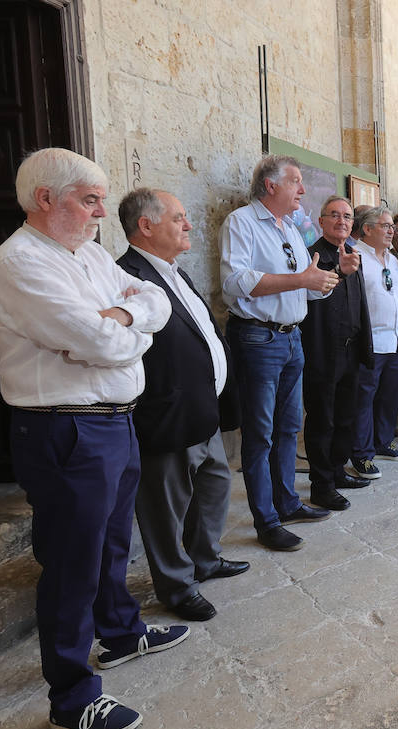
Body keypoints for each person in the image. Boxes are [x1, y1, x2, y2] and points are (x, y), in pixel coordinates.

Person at [0, 148, 188, 729]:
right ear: (46, 199)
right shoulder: (18, 262)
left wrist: (118, 317)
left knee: (112, 543)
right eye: (89, 199)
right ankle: (72, 696)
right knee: (72, 563)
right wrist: (124, 325)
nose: (102, 211)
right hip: (65, 426)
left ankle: (121, 634)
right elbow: (98, 341)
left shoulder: (92, 253)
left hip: (115, 420)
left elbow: (155, 302)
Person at [116, 188, 248, 623]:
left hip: (202, 409)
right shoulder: (126, 276)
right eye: (179, 218)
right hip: (167, 413)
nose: (188, 225)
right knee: (164, 507)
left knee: (214, 485)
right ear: (147, 226)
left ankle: (205, 559)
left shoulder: (174, 271)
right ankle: (176, 585)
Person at [221, 155, 345, 551]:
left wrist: (323, 281)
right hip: (258, 340)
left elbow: (303, 285)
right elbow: (235, 282)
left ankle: (287, 501)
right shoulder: (241, 222)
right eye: (295, 182)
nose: (302, 190)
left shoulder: (290, 226)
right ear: (270, 186)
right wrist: (302, 279)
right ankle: (266, 519)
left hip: (292, 338)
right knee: (259, 433)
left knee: (289, 426)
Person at [298, 196, 375, 511]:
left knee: (346, 419)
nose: (342, 221)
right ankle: (321, 485)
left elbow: (360, 305)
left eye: (346, 216)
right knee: (323, 422)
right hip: (323, 354)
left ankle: (338, 471)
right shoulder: (311, 257)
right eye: (334, 215)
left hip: (351, 351)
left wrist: (364, 347)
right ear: (321, 221)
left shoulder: (352, 255)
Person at [347, 206, 398, 480]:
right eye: (385, 226)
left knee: (389, 397)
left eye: (392, 227)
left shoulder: (393, 259)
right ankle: (361, 454)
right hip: (370, 342)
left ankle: (383, 442)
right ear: (367, 229)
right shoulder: (355, 257)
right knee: (364, 400)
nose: (392, 231)